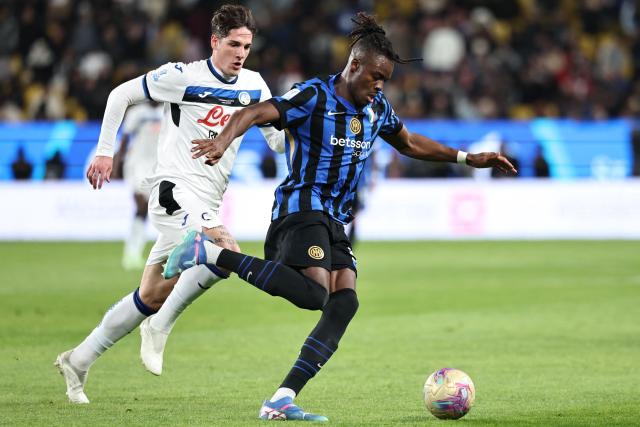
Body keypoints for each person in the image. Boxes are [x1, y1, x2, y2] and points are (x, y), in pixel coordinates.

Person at [164, 12, 517, 422]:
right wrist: (224, 139)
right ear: (353, 66)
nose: (379, 87)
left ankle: (281, 398)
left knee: (344, 303)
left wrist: (466, 158)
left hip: (335, 219)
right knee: (315, 294)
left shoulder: (377, 109)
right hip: (300, 209)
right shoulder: (313, 96)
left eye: (384, 80)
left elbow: (409, 142)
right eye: (375, 78)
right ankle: (208, 253)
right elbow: (258, 112)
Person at [54, 4, 284, 404]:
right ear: (215, 41)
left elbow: (277, 140)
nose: (241, 53)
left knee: (153, 292)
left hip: (208, 197)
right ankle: (160, 328)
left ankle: (79, 359)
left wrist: (304, 147)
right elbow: (120, 93)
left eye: (247, 45)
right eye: (233, 44)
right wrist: (105, 151)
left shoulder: (255, 86)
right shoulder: (182, 76)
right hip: (174, 190)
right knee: (225, 249)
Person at [112, 102, 163, 270]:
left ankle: (136, 252)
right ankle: (131, 253)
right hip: (137, 164)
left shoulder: (168, 109)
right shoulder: (137, 112)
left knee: (148, 210)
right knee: (141, 205)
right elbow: (125, 138)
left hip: (158, 166)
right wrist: (117, 164)